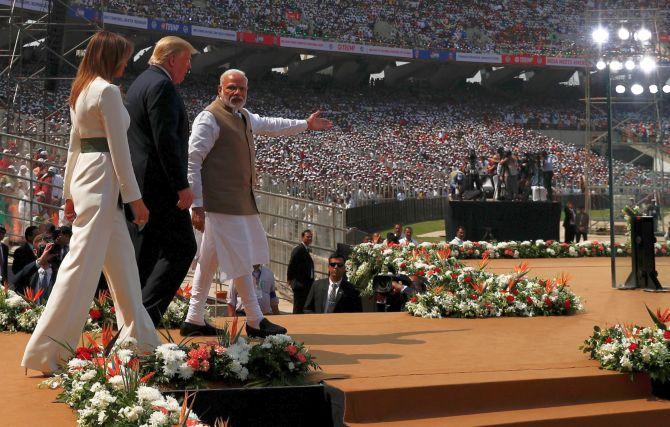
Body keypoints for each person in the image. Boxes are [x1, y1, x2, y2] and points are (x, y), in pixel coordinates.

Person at [22, 31, 159, 374]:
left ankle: (142, 341)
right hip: (103, 184)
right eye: (124, 56)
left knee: (124, 265)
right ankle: (46, 352)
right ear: (111, 56)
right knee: (79, 268)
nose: (128, 62)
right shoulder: (107, 91)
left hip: (89, 181)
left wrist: (68, 193)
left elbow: (73, 147)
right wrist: (136, 200)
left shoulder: (83, 90)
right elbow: (119, 151)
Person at [184, 69, 332, 336]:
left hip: (238, 202)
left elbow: (272, 125)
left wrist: (305, 125)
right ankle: (254, 318)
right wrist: (197, 204)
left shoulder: (244, 116)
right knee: (242, 258)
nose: (237, 93)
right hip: (220, 204)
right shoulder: (209, 118)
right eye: (231, 88)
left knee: (208, 262)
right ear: (220, 89)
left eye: (242, 89)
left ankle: (194, 317)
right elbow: (193, 160)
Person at [125, 36, 199, 325]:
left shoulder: (142, 81)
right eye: (186, 60)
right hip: (159, 186)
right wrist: (182, 184)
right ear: (171, 59)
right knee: (182, 248)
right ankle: (144, 319)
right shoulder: (162, 86)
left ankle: (132, 323)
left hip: (143, 185)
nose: (189, 66)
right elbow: (164, 141)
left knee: (147, 256)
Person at [287, 229, 315, 315]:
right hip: (300, 284)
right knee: (298, 307)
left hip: (306, 284)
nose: (309, 239)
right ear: (302, 237)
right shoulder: (298, 249)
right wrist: (290, 279)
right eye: (307, 237)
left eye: (311, 237)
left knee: (303, 306)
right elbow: (291, 265)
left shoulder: (306, 249)